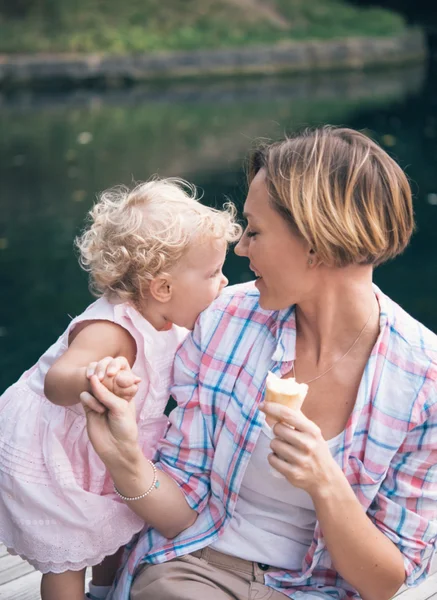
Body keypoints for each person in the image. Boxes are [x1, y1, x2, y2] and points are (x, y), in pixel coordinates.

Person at [81, 127, 437, 600]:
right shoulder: (224, 320)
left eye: (255, 230)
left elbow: (384, 581)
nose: (242, 249)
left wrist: (324, 482)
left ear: (315, 242)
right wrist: (124, 458)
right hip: (197, 568)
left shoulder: (425, 379)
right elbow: (183, 500)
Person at [0, 177, 241, 600]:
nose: (223, 282)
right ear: (163, 288)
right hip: (57, 448)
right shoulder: (112, 331)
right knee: (68, 551)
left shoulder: (170, 321)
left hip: (107, 443)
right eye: (213, 273)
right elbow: (57, 383)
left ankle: (107, 591)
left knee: (116, 524)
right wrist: (97, 376)